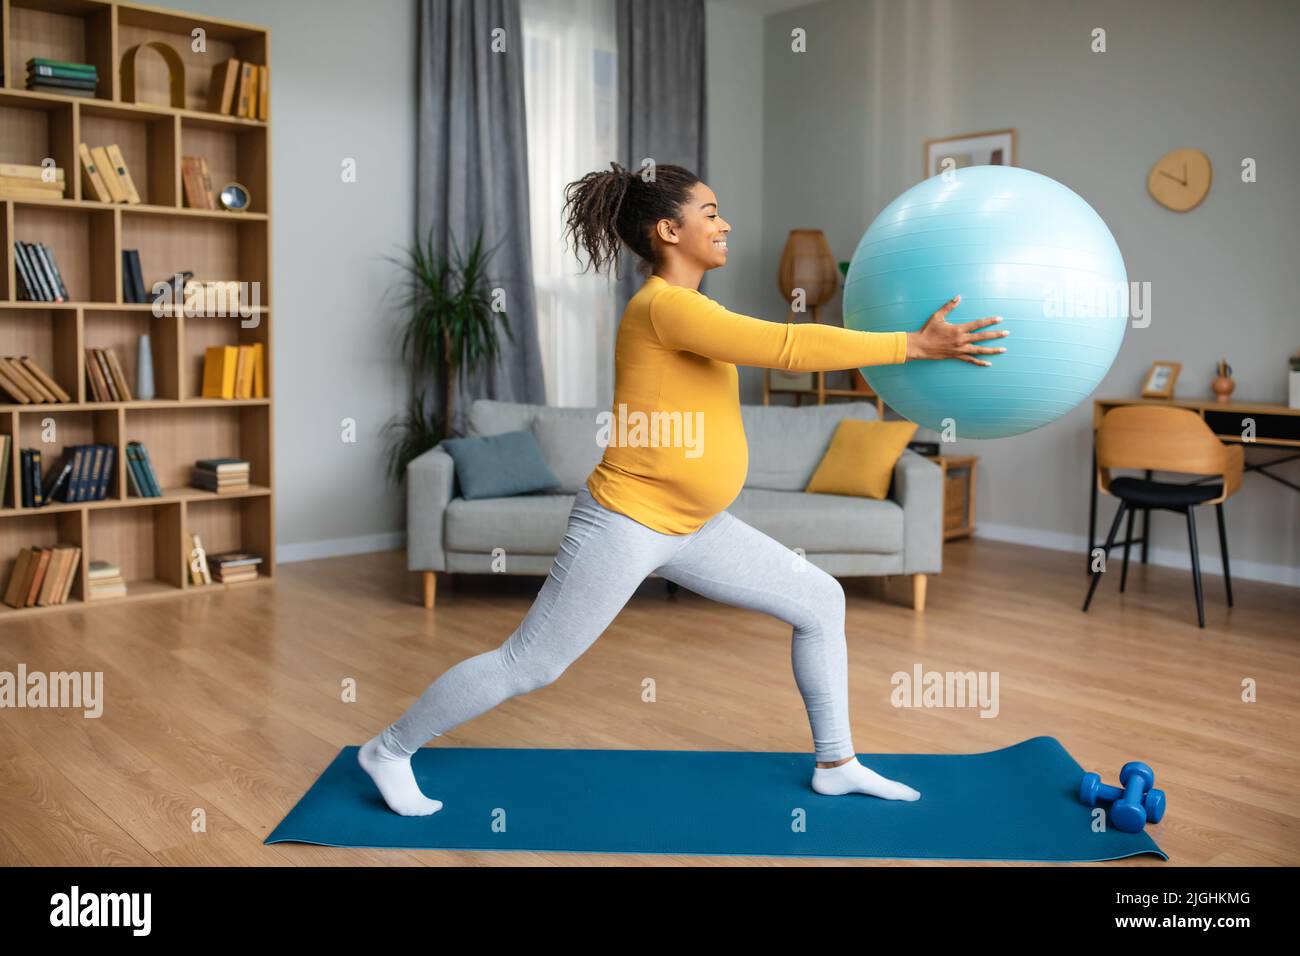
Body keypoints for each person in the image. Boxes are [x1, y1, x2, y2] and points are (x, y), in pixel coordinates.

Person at [360, 161, 1008, 816]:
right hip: (626, 523)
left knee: (819, 601)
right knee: (533, 664)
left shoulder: (694, 308)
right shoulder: (663, 308)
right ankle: (388, 750)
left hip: (695, 527)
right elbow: (787, 347)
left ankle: (837, 763)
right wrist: (913, 346)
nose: (725, 224)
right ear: (670, 229)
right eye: (710, 213)